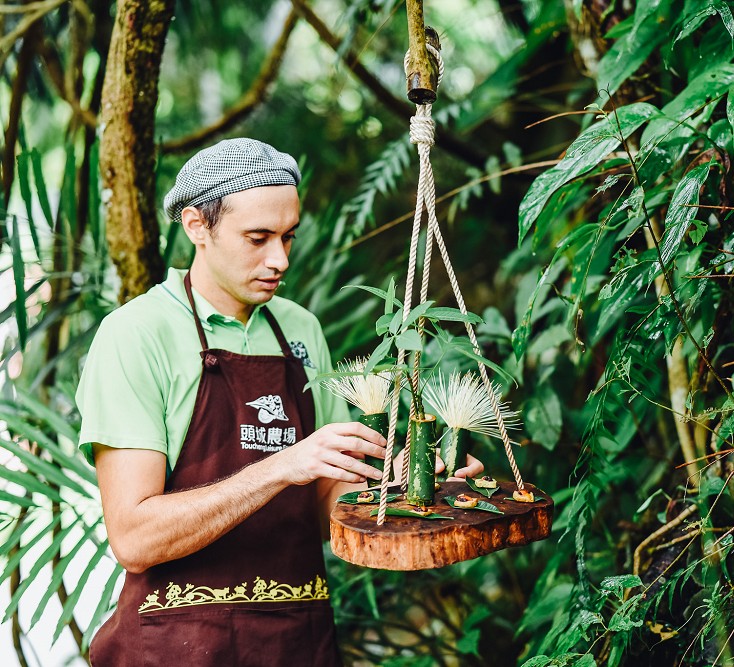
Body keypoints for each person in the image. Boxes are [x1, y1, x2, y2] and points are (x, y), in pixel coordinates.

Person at [77, 138, 483, 666]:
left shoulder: (300, 330)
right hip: (175, 646)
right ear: (198, 226)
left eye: (288, 237)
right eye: (258, 237)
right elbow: (134, 538)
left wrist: (407, 488)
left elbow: (325, 508)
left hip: (296, 641)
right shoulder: (137, 334)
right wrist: (281, 467)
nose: (280, 259)